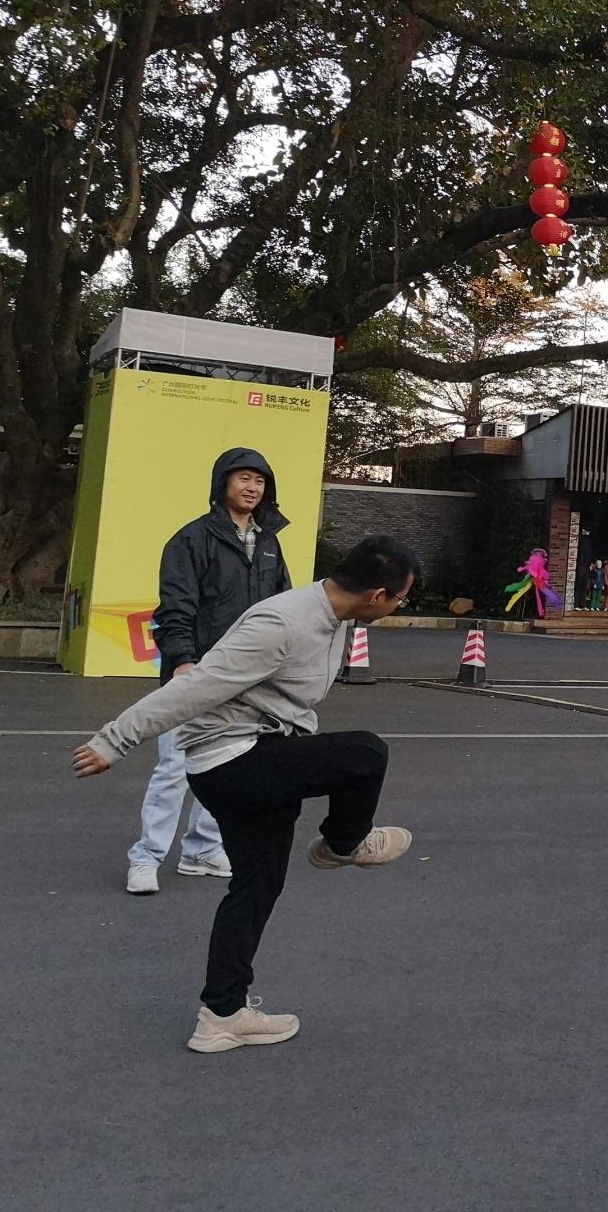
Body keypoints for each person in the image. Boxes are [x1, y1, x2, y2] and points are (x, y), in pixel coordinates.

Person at [72, 536, 421, 1054]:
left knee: (258, 885)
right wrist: (114, 740)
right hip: (232, 761)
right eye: (401, 599)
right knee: (365, 753)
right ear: (377, 596)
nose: (398, 608)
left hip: (263, 754)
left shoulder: (338, 619)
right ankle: (344, 844)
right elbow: (195, 687)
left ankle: (222, 1015)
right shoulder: (282, 622)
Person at [127, 448, 295, 896]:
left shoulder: (270, 543)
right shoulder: (191, 539)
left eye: (260, 480)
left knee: (227, 765)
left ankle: (201, 850)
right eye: (244, 478)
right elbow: (175, 609)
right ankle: (146, 857)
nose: (252, 488)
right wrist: (183, 662)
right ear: (223, 483)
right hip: (196, 673)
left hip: (249, 678)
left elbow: (283, 608)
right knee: (173, 768)